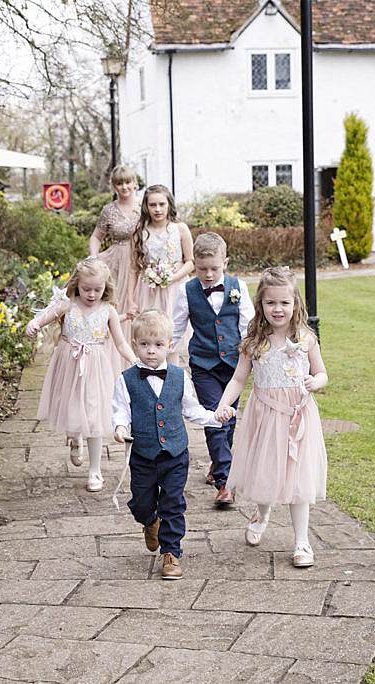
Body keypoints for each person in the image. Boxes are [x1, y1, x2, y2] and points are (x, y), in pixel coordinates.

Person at [215, 267, 328, 568]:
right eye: (271, 303)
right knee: (266, 471)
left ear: (295, 304)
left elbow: (321, 373)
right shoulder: (254, 341)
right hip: (265, 416)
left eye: (284, 303)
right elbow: (239, 379)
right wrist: (224, 404)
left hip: (298, 417)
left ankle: (302, 541)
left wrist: (315, 382)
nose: (278, 309)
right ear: (261, 305)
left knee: (298, 480)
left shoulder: (306, 339)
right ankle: (262, 513)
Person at [112, 310, 228, 580]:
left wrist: (215, 418)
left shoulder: (179, 376)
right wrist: (119, 427)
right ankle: (149, 521)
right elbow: (120, 410)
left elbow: (192, 409)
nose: (151, 351)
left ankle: (171, 553)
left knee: (173, 503)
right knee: (141, 502)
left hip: (175, 454)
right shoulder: (125, 380)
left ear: (169, 345)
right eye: (144, 345)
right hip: (142, 454)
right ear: (134, 344)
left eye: (158, 345)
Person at [26, 257, 136, 492]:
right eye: (87, 289)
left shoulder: (108, 311)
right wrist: (33, 325)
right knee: (71, 407)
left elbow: (121, 343)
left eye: (98, 289)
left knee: (95, 417)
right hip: (68, 365)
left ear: (105, 288)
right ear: (77, 284)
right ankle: (75, 438)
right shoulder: (67, 304)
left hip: (96, 368)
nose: (92, 294)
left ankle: (95, 470)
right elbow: (43, 317)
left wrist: (135, 361)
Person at [171, 232, 254, 508]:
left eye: (214, 269)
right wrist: (160, 354)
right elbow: (177, 327)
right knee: (215, 416)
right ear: (194, 265)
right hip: (203, 364)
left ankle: (218, 463)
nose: (207, 274)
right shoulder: (186, 291)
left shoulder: (238, 287)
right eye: (201, 269)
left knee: (228, 419)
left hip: (234, 366)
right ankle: (224, 482)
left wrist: (251, 356)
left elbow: (248, 327)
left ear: (225, 263)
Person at [129, 185, 194, 363]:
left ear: (169, 205)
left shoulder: (180, 229)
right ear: (146, 207)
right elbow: (134, 268)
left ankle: (173, 378)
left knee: (172, 334)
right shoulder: (140, 232)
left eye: (161, 204)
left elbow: (190, 262)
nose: (157, 209)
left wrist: (172, 277)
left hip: (175, 288)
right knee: (149, 333)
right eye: (152, 205)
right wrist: (131, 299)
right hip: (148, 291)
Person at [90, 165, 140, 359]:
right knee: (116, 307)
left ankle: (142, 354)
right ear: (114, 186)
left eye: (127, 182)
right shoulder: (109, 210)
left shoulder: (143, 207)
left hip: (140, 261)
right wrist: (94, 256)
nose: (124, 187)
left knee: (137, 306)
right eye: (119, 183)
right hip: (115, 263)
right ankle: (116, 358)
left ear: (134, 184)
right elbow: (96, 237)